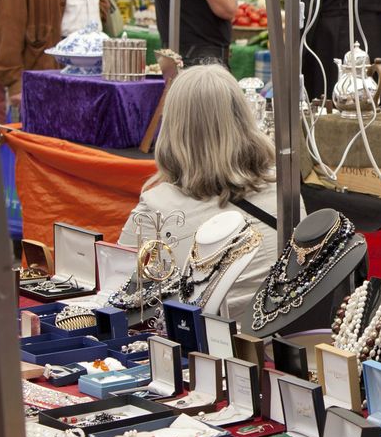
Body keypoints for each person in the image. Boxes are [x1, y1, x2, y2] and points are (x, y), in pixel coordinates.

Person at [118, 65, 286, 322]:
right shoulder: (284, 192)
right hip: (276, 343)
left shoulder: (156, 208)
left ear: (174, 128)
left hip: (199, 350)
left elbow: (122, 302)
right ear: (244, 117)